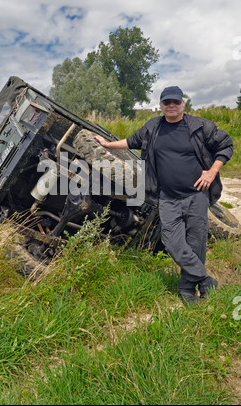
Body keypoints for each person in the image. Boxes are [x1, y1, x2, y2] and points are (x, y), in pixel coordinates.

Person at [94, 86, 233, 305]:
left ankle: (187, 288)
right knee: (171, 241)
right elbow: (131, 142)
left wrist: (211, 171)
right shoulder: (152, 127)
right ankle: (205, 280)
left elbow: (225, 146)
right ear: (160, 105)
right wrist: (107, 144)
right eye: (166, 102)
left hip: (196, 195)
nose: (171, 105)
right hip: (168, 197)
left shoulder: (200, 126)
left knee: (196, 243)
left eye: (175, 102)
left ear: (182, 104)